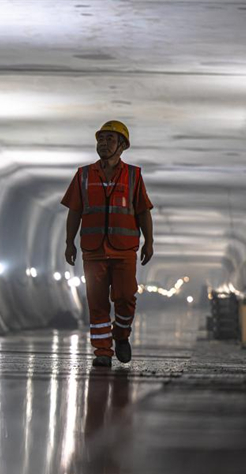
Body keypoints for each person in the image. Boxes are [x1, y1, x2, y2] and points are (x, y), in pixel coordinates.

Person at [60, 120, 154, 367]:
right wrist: (69, 243)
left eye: (110, 140)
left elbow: (143, 211)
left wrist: (149, 241)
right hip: (93, 250)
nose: (103, 144)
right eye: (100, 139)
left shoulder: (133, 175)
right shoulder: (83, 175)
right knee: (97, 301)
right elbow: (74, 211)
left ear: (122, 146)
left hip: (124, 248)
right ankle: (102, 351)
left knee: (125, 297)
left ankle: (121, 336)